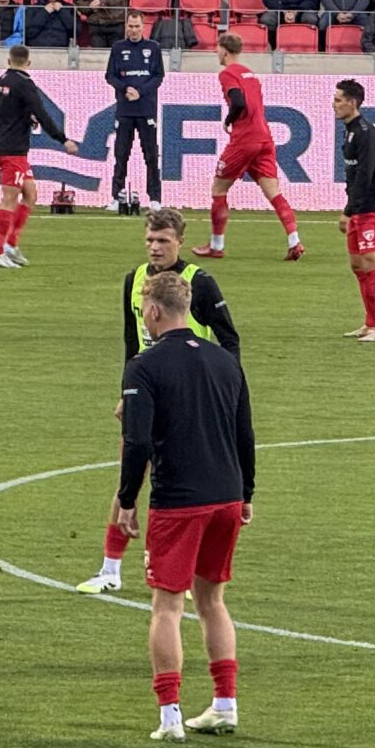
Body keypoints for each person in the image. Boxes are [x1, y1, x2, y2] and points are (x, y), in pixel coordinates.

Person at [117, 269, 257, 740]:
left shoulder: (145, 366)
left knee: (166, 607)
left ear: (154, 310)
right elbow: (245, 433)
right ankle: (224, 704)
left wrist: (125, 500)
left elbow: (137, 441)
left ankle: (170, 716)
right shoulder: (224, 361)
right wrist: (248, 493)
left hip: (179, 500)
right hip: (227, 494)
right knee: (213, 600)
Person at [78, 206, 241, 597]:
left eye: (163, 241)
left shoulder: (198, 282)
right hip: (146, 388)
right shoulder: (133, 280)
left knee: (184, 486)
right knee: (128, 477)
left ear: (180, 242)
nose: (155, 247)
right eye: (150, 239)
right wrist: (125, 392)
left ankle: (179, 571)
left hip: (187, 398)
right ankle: (110, 570)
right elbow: (130, 341)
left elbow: (229, 339)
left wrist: (226, 389)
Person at [193, 31, 302, 261]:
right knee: (274, 193)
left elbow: (239, 102)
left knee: (219, 190)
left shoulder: (227, 74)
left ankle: (216, 245)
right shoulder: (251, 74)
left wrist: (229, 119)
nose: (217, 53)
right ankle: (294, 241)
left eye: (217, 49)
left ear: (223, 50)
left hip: (245, 140)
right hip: (265, 139)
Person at [0, 44, 70, 269]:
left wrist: (21, 118)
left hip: (7, 145)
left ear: (8, 60)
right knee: (9, 199)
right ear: (28, 63)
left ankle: (11, 245)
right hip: (13, 148)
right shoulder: (25, 84)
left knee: (30, 194)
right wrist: (62, 139)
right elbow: (41, 113)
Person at [332, 78, 375, 343]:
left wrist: (350, 210)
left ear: (351, 102)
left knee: (372, 264)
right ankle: (370, 323)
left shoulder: (367, 133)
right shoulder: (351, 130)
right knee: (358, 266)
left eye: (337, 100)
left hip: (370, 209)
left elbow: (366, 174)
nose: (333, 105)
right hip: (358, 209)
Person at [104, 9, 165, 206]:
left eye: (137, 26)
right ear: (126, 26)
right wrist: (125, 88)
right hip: (124, 110)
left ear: (143, 26)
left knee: (151, 155)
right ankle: (116, 196)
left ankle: (155, 199)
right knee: (121, 154)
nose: (133, 30)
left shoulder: (153, 48)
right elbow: (110, 76)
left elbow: (158, 76)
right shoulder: (118, 47)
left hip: (146, 109)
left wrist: (140, 92)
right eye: (130, 26)